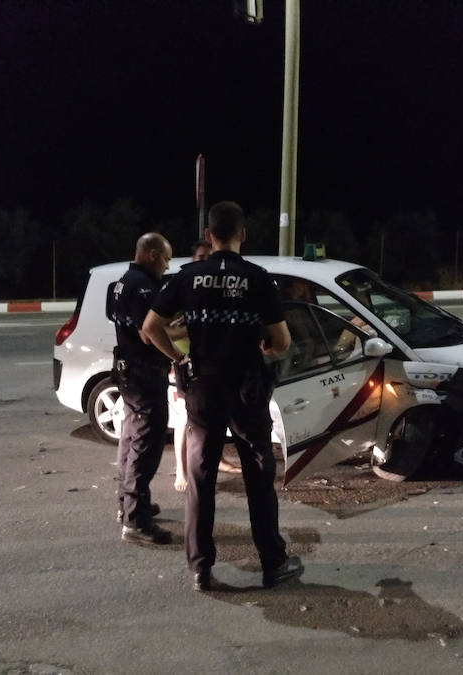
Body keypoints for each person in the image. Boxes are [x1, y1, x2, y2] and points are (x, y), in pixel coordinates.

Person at [143, 201, 304, 591]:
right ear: (243, 234)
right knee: (259, 478)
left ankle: (201, 568)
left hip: (203, 391)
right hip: (246, 391)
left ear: (210, 236)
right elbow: (282, 342)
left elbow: (150, 327)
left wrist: (180, 357)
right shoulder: (259, 279)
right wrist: (265, 344)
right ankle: (272, 561)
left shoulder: (188, 277)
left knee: (200, 479)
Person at [110, 232, 174, 545]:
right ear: (151, 254)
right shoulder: (145, 287)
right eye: (165, 258)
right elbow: (149, 333)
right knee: (145, 444)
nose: (167, 264)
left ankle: (129, 504)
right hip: (145, 374)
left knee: (130, 436)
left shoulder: (123, 282)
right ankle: (136, 521)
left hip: (128, 372)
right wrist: (177, 351)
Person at [170, 240, 241, 493]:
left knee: (213, 418)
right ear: (192, 259)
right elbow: (162, 329)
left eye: (208, 256)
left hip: (210, 365)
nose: (204, 260)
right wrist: (180, 348)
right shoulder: (186, 286)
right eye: (200, 256)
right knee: (185, 419)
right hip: (186, 363)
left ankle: (219, 460)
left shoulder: (211, 286)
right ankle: (181, 469)